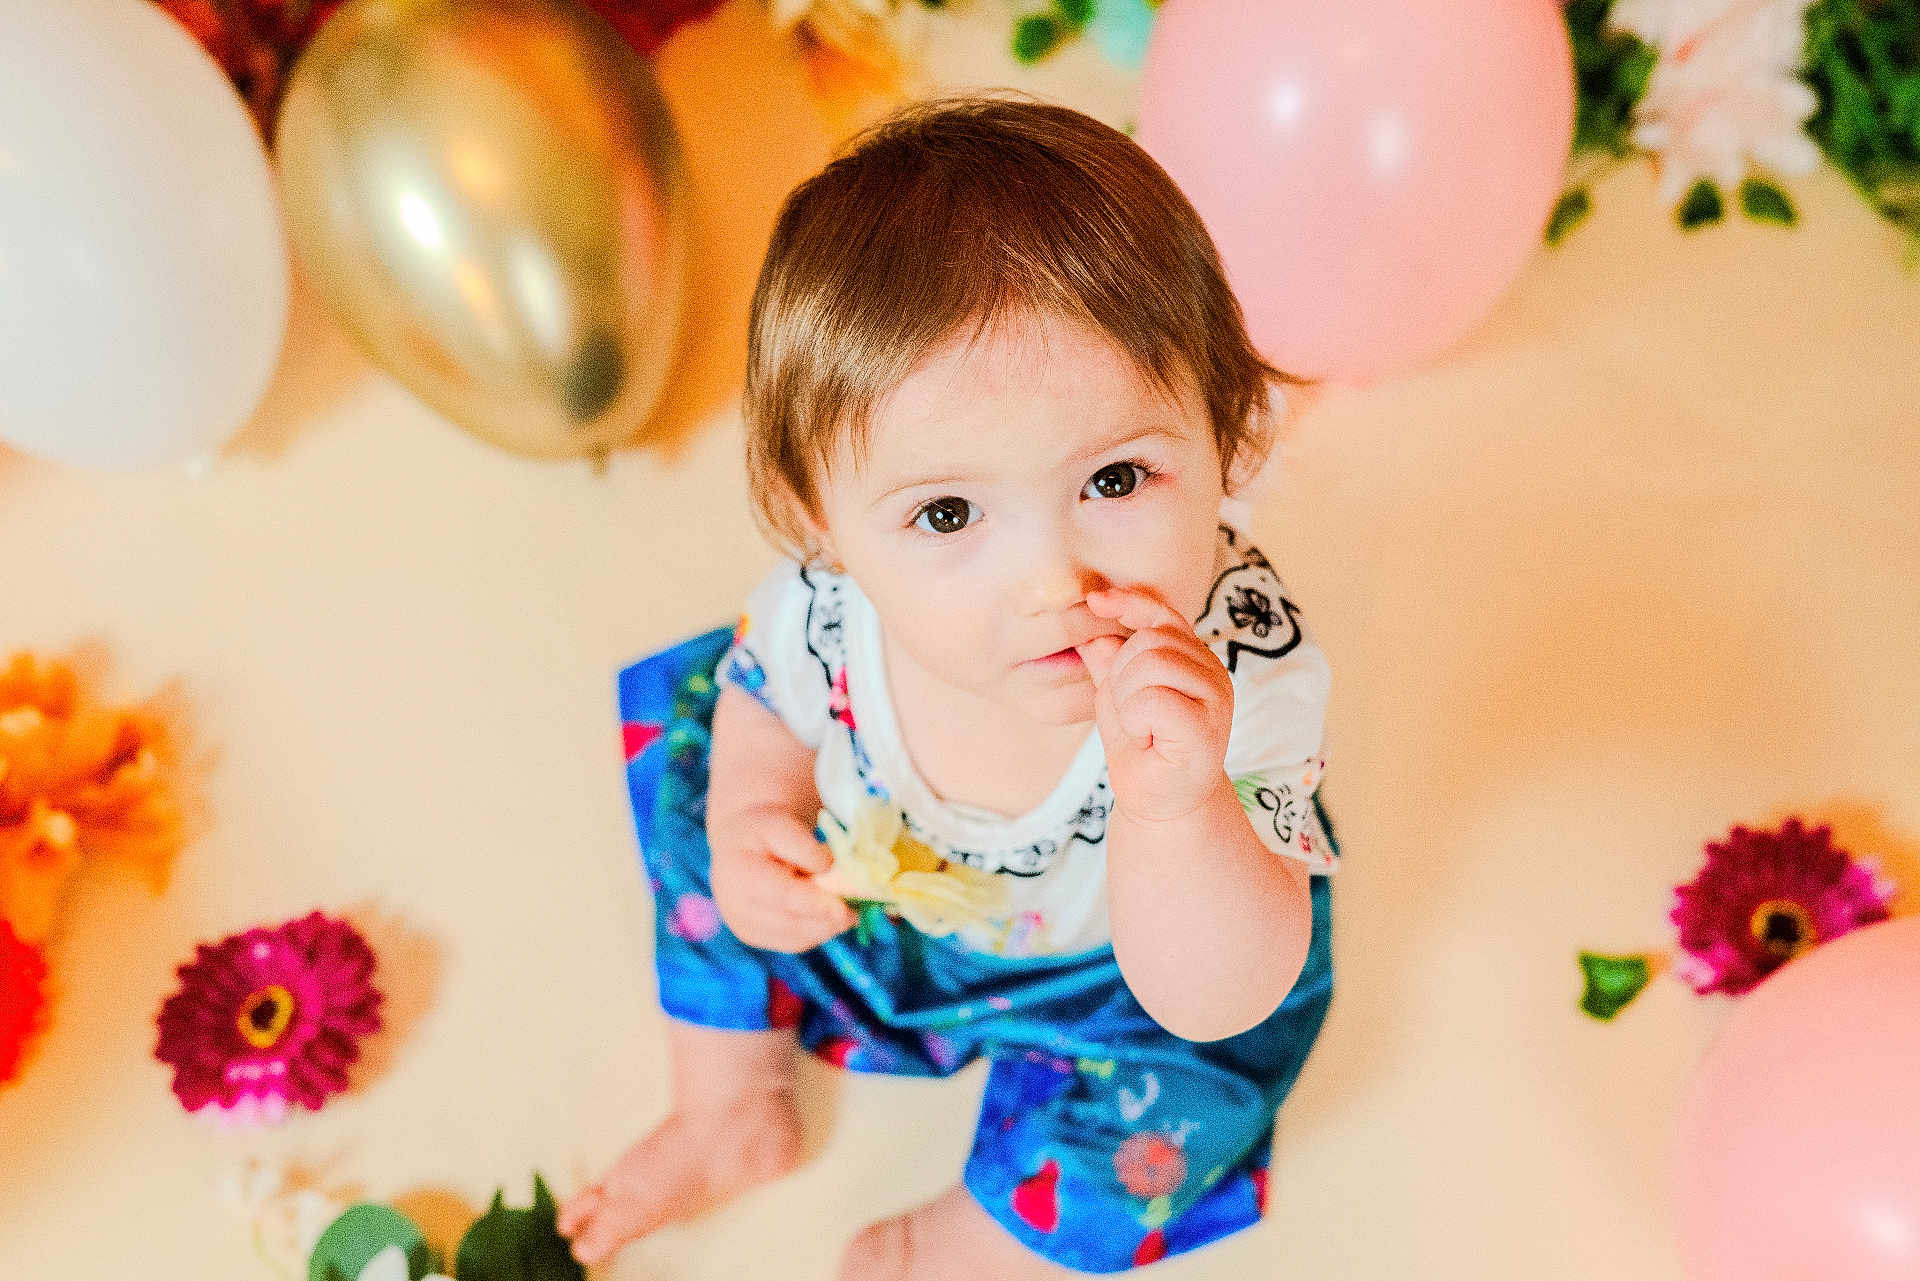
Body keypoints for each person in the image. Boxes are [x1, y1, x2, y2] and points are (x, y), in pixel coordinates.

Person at [560, 92, 1340, 1278]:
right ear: (821, 525)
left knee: (1174, 1114)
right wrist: (754, 819)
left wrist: (1179, 807)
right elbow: (771, 700)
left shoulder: (1237, 673)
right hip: (866, 910)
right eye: (946, 513)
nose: (1052, 577)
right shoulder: (835, 608)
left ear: (1226, 436)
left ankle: (979, 1234)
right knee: (694, 759)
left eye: (1119, 479)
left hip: (1115, 983)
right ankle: (728, 1103)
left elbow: (1216, 996)